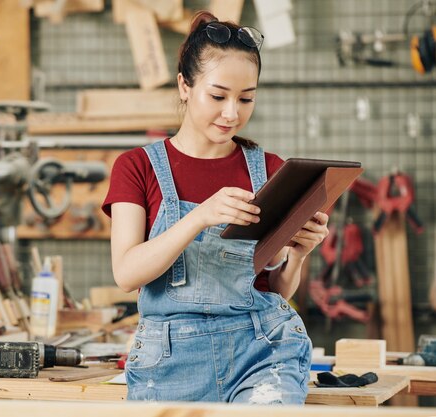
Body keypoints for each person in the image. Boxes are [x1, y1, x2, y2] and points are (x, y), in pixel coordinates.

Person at [101, 11, 330, 404]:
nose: (232, 113)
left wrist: (299, 254)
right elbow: (127, 272)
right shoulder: (136, 167)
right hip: (171, 359)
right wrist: (200, 216)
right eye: (218, 95)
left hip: (263, 349)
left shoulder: (271, 170)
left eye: (246, 98)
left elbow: (274, 288)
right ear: (184, 86)